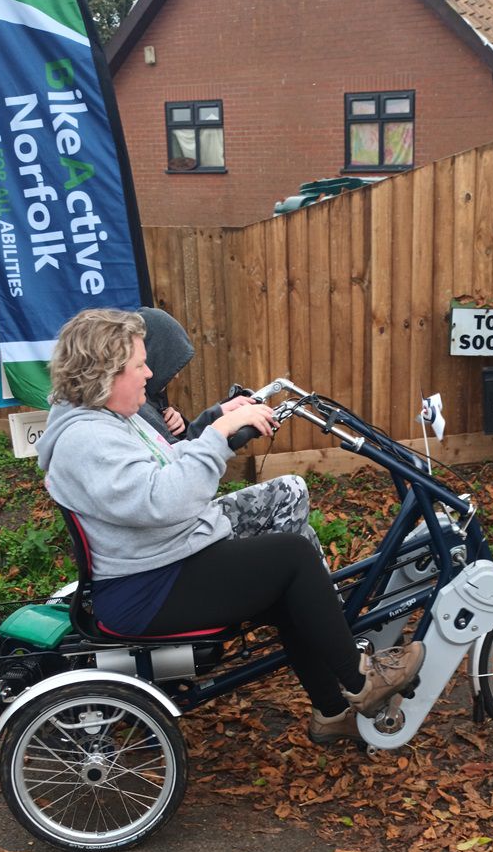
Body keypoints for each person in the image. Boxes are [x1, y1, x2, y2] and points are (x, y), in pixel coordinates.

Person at [36, 307, 424, 745]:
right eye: (138, 366)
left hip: (158, 566)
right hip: (144, 591)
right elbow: (166, 500)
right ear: (105, 372)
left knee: (286, 590)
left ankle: (332, 712)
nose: (149, 374)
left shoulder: (107, 422)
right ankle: (360, 683)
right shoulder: (86, 439)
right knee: (292, 555)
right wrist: (218, 432)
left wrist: (214, 431)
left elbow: (169, 469)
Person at [137, 305, 324, 562]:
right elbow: (182, 471)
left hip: (184, 521)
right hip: (182, 536)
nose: (177, 374)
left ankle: (333, 601)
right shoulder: (137, 411)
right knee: (291, 490)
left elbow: (181, 450)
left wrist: (218, 413)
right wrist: (226, 426)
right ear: (153, 356)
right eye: (172, 364)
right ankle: (281, 588)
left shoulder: (151, 404)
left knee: (305, 533)